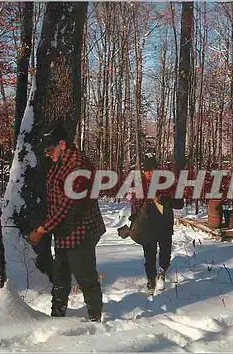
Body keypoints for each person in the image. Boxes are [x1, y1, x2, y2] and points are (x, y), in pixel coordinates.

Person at [28, 124, 106, 322]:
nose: (47, 154)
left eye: (49, 150)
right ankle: (57, 317)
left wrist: (41, 230)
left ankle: (95, 320)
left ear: (62, 145)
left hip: (81, 230)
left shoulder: (78, 166)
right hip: (64, 231)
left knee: (86, 277)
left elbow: (67, 205)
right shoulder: (60, 161)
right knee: (60, 276)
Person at [119, 155, 183, 295]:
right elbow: (135, 203)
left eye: (151, 170)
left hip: (164, 222)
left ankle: (162, 272)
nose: (148, 173)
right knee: (149, 253)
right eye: (145, 170)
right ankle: (150, 278)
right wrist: (134, 219)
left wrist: (166, 200)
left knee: (165, 249)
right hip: (147, 224)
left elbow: (180, 203)